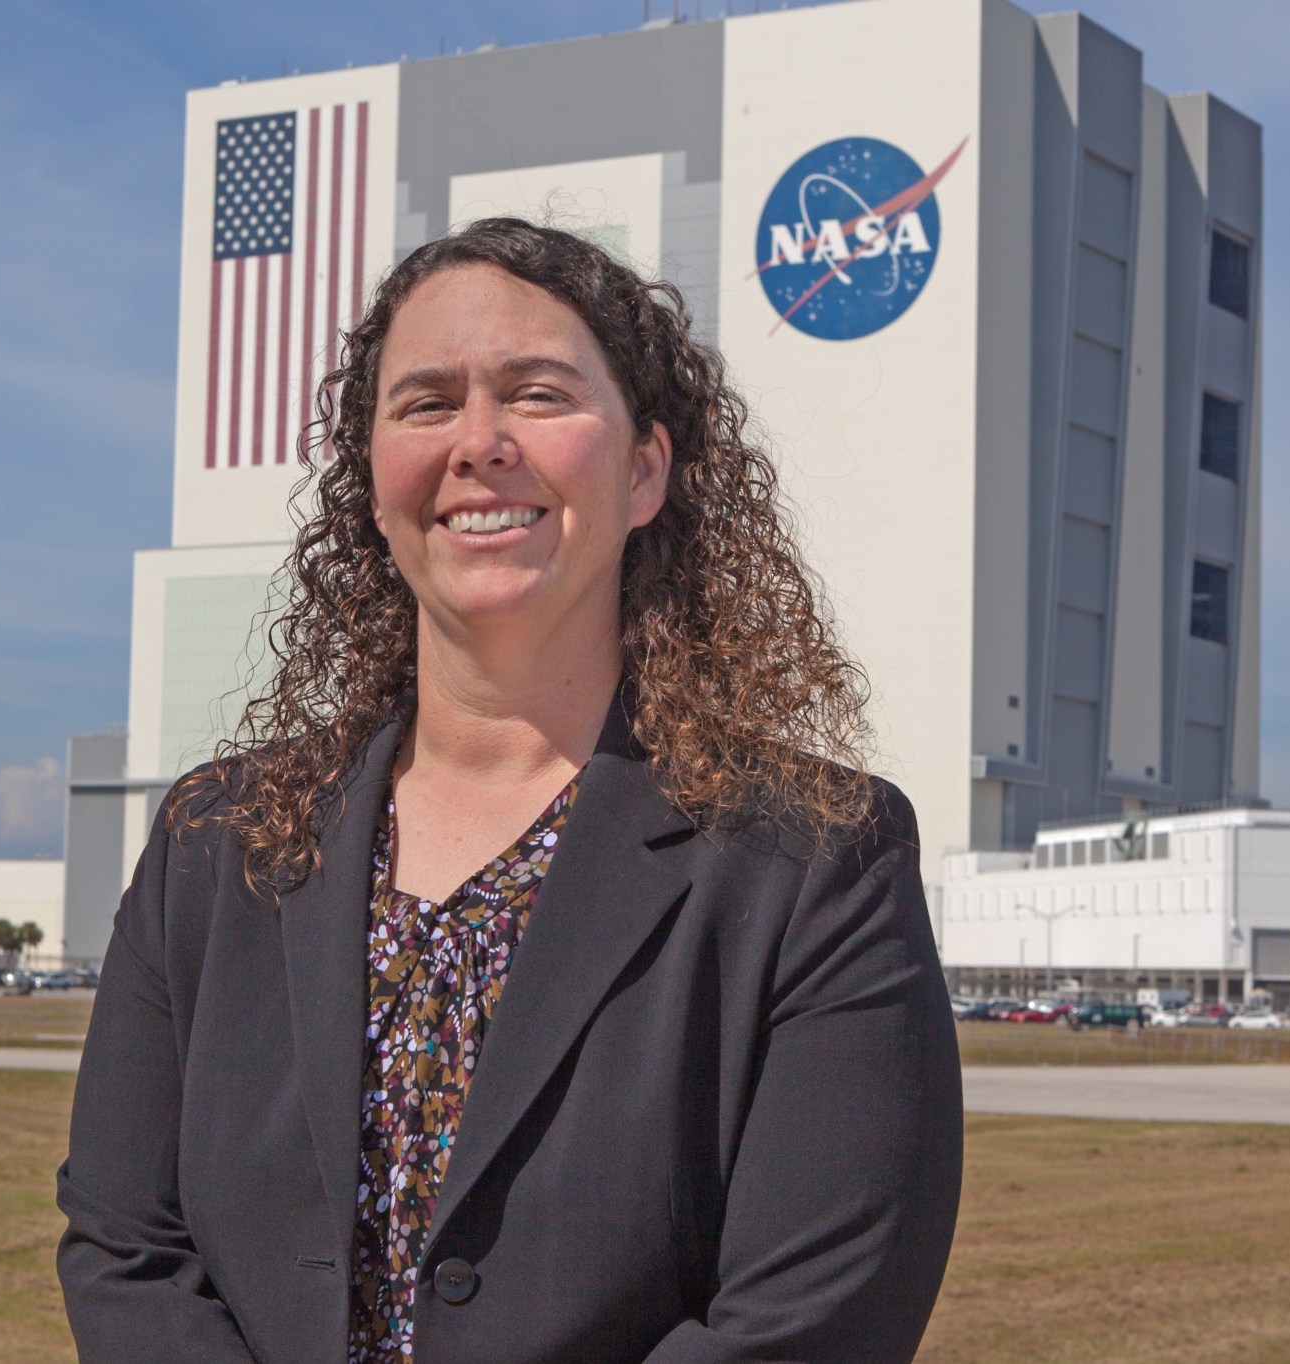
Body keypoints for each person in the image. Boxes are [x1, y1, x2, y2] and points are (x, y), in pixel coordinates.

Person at [56, 218, 963, 1363]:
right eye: (425, 402)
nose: (478, 442)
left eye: (537, 393)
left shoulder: (813, 857)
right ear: (371, 481)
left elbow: (810, 1321)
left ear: (645, 470)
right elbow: (126, 1249)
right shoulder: (215, 841)